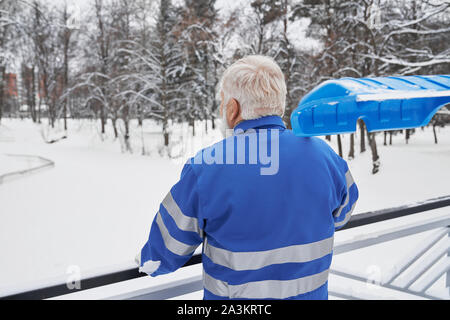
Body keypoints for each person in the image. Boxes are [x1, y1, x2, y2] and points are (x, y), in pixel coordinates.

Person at [136, 55, 359, 300]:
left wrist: (146, 260)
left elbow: (164, 253)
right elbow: (343, 213)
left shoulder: (208, 166)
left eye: (223, 103)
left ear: (233, 108)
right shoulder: (324, 154)